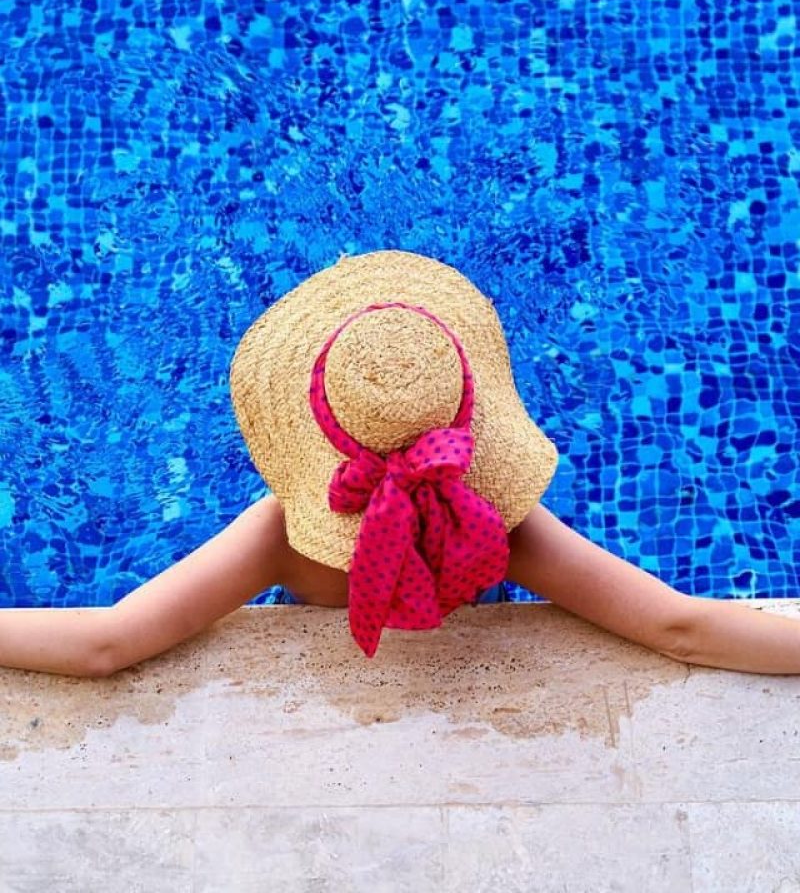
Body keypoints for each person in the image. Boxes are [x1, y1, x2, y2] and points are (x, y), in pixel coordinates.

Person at [1, 249, 799, 677]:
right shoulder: (505, 525)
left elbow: (108, 642)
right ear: (469, 418)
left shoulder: (282, 534)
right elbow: (680, 626)